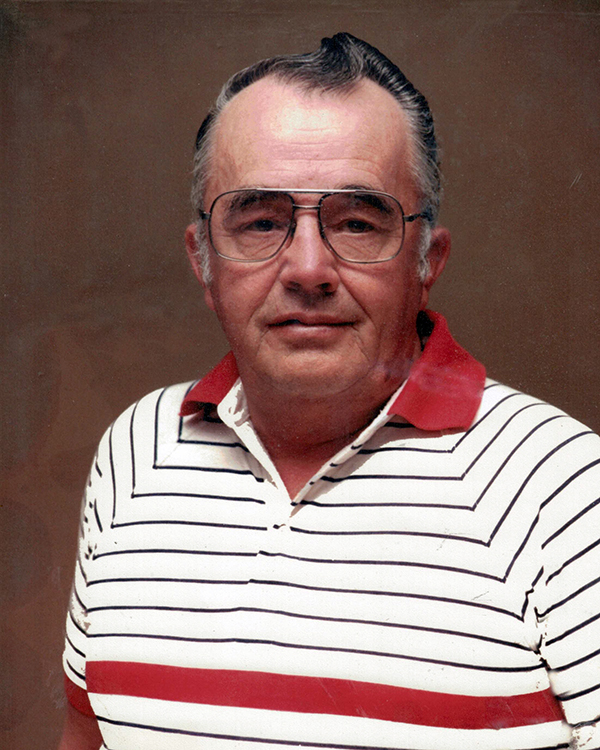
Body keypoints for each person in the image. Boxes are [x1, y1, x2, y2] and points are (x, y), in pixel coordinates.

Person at [60, 32, 600, 750]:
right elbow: (86, 734)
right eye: (260, 221)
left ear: (427, 259)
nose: (308, 268)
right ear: (202, 258)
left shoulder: (564, 488)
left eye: (357, 222)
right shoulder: (135, 451)